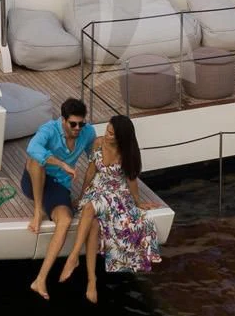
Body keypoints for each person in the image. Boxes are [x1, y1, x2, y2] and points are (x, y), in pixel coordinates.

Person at [60, 114, 160, 303]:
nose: (107, 135)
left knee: (90, 208)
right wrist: (81, 195)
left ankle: (73, 257)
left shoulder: (126, 153)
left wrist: (138, 202)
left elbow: (131, 179)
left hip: (116, 193)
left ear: (121, 137)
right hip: (97, 188)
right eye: (107, 130)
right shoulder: (98, 143)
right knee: (94, 224)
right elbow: (91, 171)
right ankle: (92, 280)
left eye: (112, 134)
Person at [26, 98, 96, 300]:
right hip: (35, 180)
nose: (77, 128)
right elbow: (33, 148)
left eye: (81, 124)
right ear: (63, 120)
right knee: (36, 160)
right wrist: (61, 164)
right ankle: (38, 210)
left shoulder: (88, 132)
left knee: (65, 220)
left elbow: (94, 160)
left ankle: (40, 280)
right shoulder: (49, 129)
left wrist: (86, 194)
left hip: (58, 186)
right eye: (73, 124)